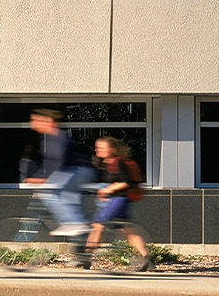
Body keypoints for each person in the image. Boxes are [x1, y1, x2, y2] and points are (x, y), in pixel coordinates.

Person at [22, 108, 94, 237]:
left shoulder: (57, 136)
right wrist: (38, 177)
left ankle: (73, 223)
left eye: (35, 120)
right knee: (71, 201)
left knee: (47, 192)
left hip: (79, 170)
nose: (32, 123)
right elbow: (49, 163)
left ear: (48, 121)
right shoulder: (48, 138)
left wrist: (43, 179)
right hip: (79, 170)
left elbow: (58, 160)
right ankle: (82, 237)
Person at [83, 136, 151, 269]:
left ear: (113, 149)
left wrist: (108, 189)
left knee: (98, 225)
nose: (98, 150)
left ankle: (86, 256)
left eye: (102, 147)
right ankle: (146, 258)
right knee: (127, 231)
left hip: (118, 199)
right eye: (97, 147)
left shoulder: (118, 162)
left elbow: (126, 182)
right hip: (120, 200)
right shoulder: (107, 163)